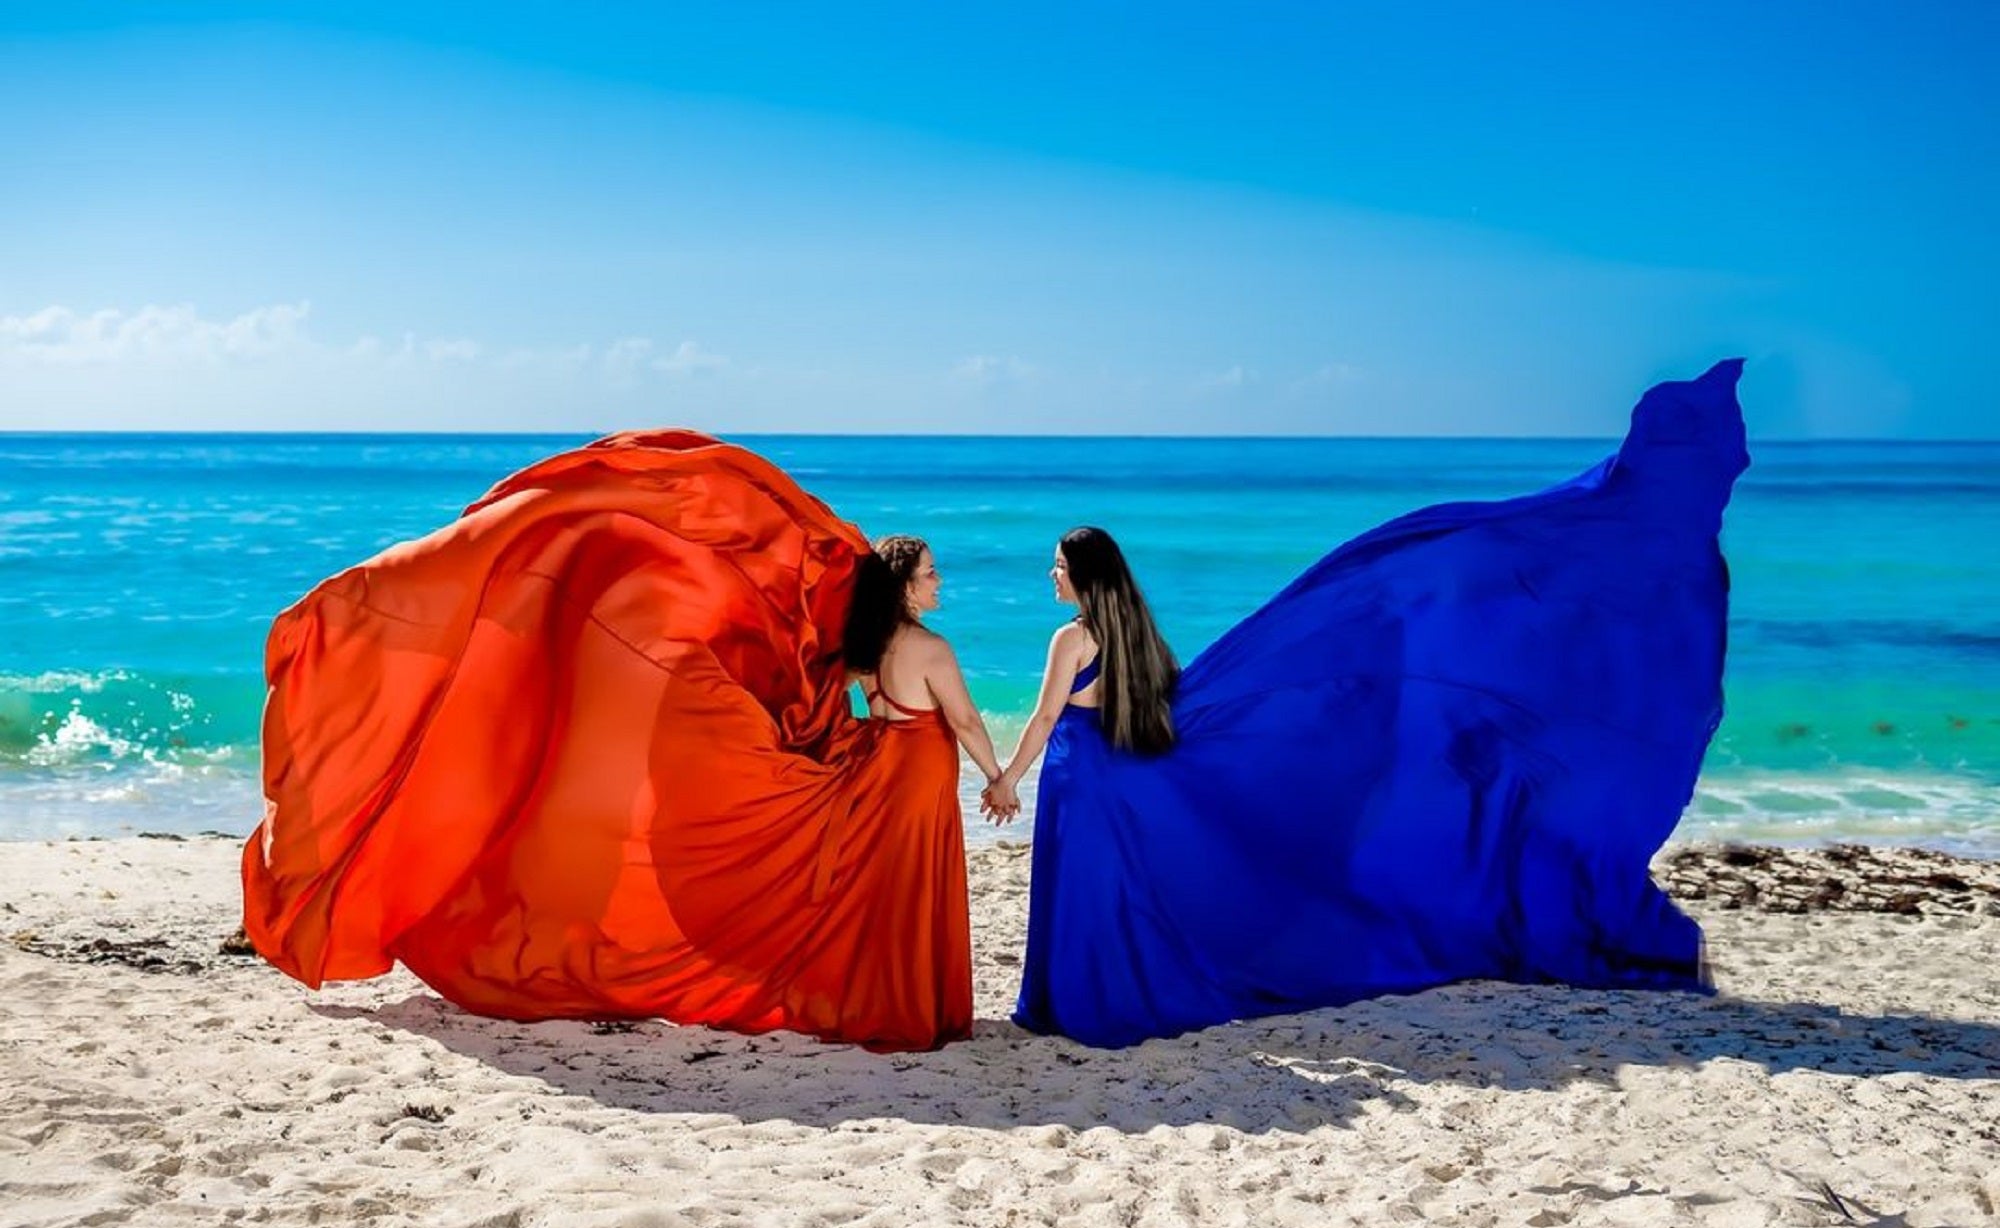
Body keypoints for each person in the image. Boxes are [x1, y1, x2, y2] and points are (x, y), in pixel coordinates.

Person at [990, 361, 1747, 1047]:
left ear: (1083, 578)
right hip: (1129, 769)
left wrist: (1007, 777)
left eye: (1056, 568)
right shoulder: (1139, 632)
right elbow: (1178, 694)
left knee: (1084, 885)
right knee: (1118, 888)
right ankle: (1100, 998)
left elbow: (1046, 717)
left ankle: (1069, 1005)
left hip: (1084, 774)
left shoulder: (1071, 638)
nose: (1050, 578)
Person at [242, 431, 977, 1051]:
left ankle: (885, 991)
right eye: (932, 573)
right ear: (907, 587)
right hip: (898, 768)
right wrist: (999, 775)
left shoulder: (873, 645)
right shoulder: (914, 646)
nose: (941, 581)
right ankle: (901, 996)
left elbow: (824, 665)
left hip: (879, 763)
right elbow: (944, 712)